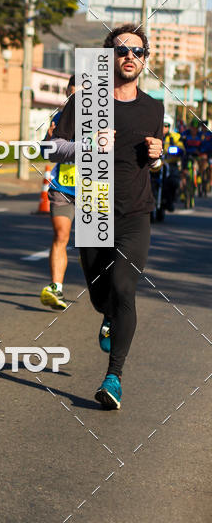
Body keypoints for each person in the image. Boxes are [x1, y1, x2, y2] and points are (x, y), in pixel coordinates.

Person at [48, 24, 163, 409]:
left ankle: (114, 376)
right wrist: (86, 145)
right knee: (101, 295)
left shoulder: (153, 107)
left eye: (138, 52)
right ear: (108, 57)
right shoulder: (86, 100)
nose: (129, 56)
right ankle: (107, 314)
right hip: (95, 205)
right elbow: (50, 147)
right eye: (121, 51)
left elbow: (151, 163)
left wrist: (157, 156)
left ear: (146, 60)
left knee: (124, 287)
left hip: (135, 210)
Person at [40, 75, 76, 310]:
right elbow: (46, 151)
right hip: (63, 186)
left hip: (95, 188)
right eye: (73, 93)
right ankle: (56, 288)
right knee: (61, 235)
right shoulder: (59, 118)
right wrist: (50, 139)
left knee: (95, 247)